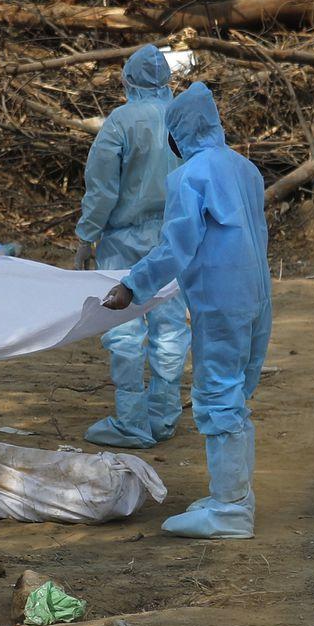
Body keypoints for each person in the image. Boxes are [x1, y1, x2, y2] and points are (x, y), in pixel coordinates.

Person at [101, 83, 268, 539]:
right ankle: (234, 495)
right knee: (234, 394)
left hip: (219, 297)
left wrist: (131, 286)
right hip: (255, 295)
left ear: (177, 135)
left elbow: (176, 245)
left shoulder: (189, 176)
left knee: (218, 397)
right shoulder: (245, 169)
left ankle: (231, 511)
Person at [74, 45, 190, 447]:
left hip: (122, 240)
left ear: (127, 80)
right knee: (171, 322)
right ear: (168, 80)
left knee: (124, 326)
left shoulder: (120, 122)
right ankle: (164, 415)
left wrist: (87, 235)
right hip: (175, 235)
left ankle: (131, 421)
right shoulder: (185, 118)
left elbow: (102, 189)